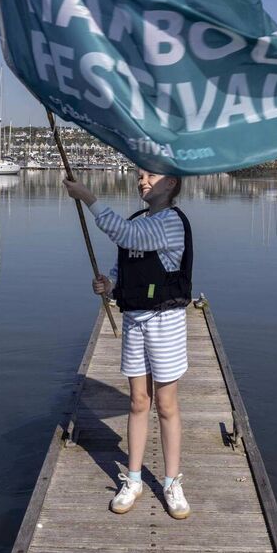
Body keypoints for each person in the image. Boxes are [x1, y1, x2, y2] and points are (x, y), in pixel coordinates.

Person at [63, 169, 193, 520]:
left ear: (171, 183)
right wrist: (109, 285)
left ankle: (171, 482)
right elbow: (124, 265)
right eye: (139, 176)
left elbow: (127, 235)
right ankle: (133, 480)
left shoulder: (170, 222)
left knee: (166, 404)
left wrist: (87, 197)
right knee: (138, 401)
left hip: (165, 322)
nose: (142, 181)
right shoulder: (138, 220)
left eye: (151, 175)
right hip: (135, 320)